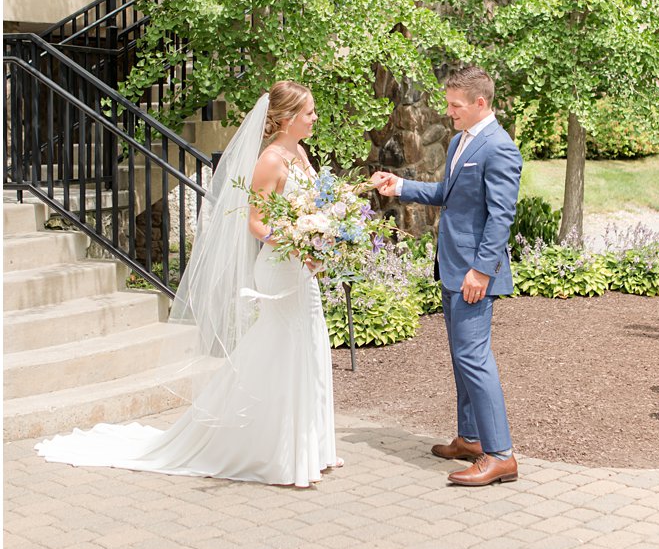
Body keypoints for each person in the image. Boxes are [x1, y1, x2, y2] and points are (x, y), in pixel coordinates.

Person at [35, 82, 342, 487]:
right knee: (280, 348)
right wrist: (296, 239)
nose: (314, 118)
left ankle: (312, 443)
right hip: (280, 265)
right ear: (286, 118)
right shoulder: (269, 160)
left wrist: (324, 230)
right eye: (309, 113)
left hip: (302, 266)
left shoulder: (300, 153)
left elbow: (309, 207)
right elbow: (256, 223)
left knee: (310, 342)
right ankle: (278, 450)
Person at [371, 66, 523, 487]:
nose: (448, 111)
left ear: (480, 103)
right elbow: (446, 195)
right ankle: (471, 439)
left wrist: (481, 270)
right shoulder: (460, 142)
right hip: (452, 267)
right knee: (462, 359)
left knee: (474, 359)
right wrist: (398, 185)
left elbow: (501, 217)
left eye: (455, 105)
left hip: (474, 273)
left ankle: (501, 456)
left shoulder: (499, 148)